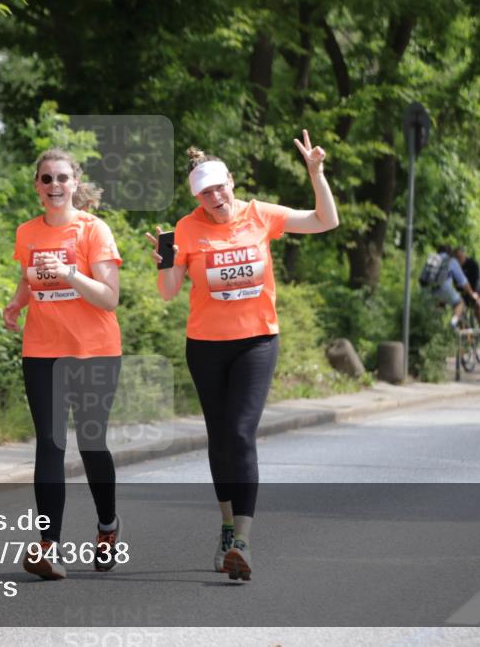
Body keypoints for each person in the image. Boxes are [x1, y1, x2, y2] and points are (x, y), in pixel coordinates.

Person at [145, 130, 339, 581]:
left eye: (220, 186)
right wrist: (164, 262)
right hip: (206, 346)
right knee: (219, 437)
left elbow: (324, 221)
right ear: (197, 196)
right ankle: (228, 528)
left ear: (231, 181)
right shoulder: (186, 229)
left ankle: (244, 543)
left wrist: (317, 173)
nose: (215, 196)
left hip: (257, 341)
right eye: (205, 191)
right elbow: (170, 293)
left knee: (239, 433)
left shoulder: (260, 215)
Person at [4, 148, 123, 580]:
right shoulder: (28, 232)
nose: (54, 186)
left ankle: (108, 527)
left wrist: (70, 274)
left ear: (75, 183)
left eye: (62, 178)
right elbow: (28, 277)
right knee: (50, 444)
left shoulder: (93, 230)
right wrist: (17, 303)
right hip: (42, 351)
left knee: (92, 445)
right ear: (37, 186)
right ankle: (47, 545)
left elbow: (110, 297)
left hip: (94, 351)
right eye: (46, 179)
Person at [422, 244, 480, 330]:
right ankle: (453, 323)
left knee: (438, 307)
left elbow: (423, 278)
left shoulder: (431, 259)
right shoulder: (451, 261)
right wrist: (472, 294)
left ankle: (433, 329)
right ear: (450, 253)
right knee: (460, 303)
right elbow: (463, 282)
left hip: (427, 290)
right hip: (443, 289)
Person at [455, 246, 480, 327]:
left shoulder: (473, 264)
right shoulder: (456, 267)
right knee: (459, 310)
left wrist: (475, 293)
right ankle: (465, 332)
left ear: (464, 255)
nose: (458, 260)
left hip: (475, 290)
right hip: (463, 293)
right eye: (456, 258)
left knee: (478, 305)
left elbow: (477, 280)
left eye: (459, 257)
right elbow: (456, 284)